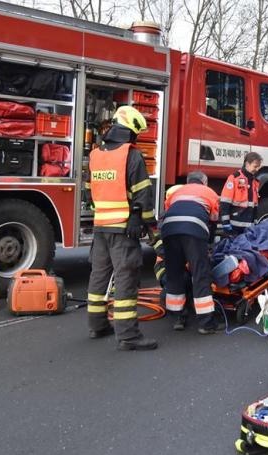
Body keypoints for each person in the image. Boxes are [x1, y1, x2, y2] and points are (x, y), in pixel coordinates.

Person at [86, 105, 158, 351]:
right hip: (123, 230)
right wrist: (145, 221)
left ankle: (97, 325)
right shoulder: (131, 154)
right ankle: (128, 336)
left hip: (100, 227)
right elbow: (142, 194)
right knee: (126, 278)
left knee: (99, 276)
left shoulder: (96, 154)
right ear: (130, 130)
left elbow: (90, 190)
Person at [160, 171, 223, 334]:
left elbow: (169, 209)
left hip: (169, 229)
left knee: (174, 273)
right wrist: (207, 243)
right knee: (200, 273)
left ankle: (178, 318)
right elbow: (214, 219)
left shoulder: (177, 192)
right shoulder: (210, 192)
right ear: (205, 181)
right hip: (193, 229)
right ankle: (206, 323)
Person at [219, 152, 263, 235]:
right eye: (255, 166)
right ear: (247, 164)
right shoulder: (234, 177)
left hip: (249, 227)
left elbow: (254, 205)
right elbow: (225, 202)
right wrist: (225, 222)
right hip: (234, 226)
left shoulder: (255, 182)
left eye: (258, 167)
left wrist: (255, 222)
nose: (257, 169)